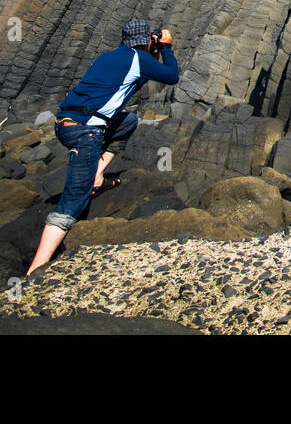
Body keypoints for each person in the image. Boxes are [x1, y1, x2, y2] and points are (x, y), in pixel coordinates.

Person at [26, 18, 180, 274]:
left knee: (128, 121)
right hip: (85, 132)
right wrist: (165, 48)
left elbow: (132, 82)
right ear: (146, 40)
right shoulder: (139, 59)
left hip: (65, 123)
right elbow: (171, 75)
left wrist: (151, 50)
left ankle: (97, 176)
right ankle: (36, 269)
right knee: (73, 200)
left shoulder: (110, 56)